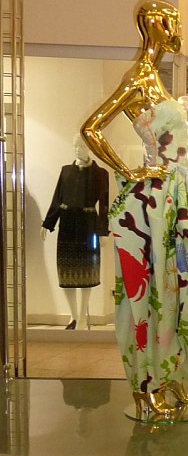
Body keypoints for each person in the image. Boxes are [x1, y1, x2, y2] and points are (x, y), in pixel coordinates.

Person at [81, 0, 188, 421]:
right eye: (171, 21)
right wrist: (128, 170)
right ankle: (145, 385)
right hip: (152, 203)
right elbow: (91, 128)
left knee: (181, 285)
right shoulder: (138, 79)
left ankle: (169, 375)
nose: (176, 29)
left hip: (179, 198)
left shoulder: (157, 81)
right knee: (148, 292)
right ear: (154, 25)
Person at [41, 133, 109, 330]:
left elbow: (104, 205)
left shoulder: (100, 173)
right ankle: (73, 316)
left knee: (88, 271)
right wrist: (48, 223)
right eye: (75, 146)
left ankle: (82, 317)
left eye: (82, 146)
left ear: (90, 148)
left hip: (88, 225)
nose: (78, 150)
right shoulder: (65, 171)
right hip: (67, 225)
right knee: (66, 271)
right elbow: (57, 198)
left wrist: (103, 231)